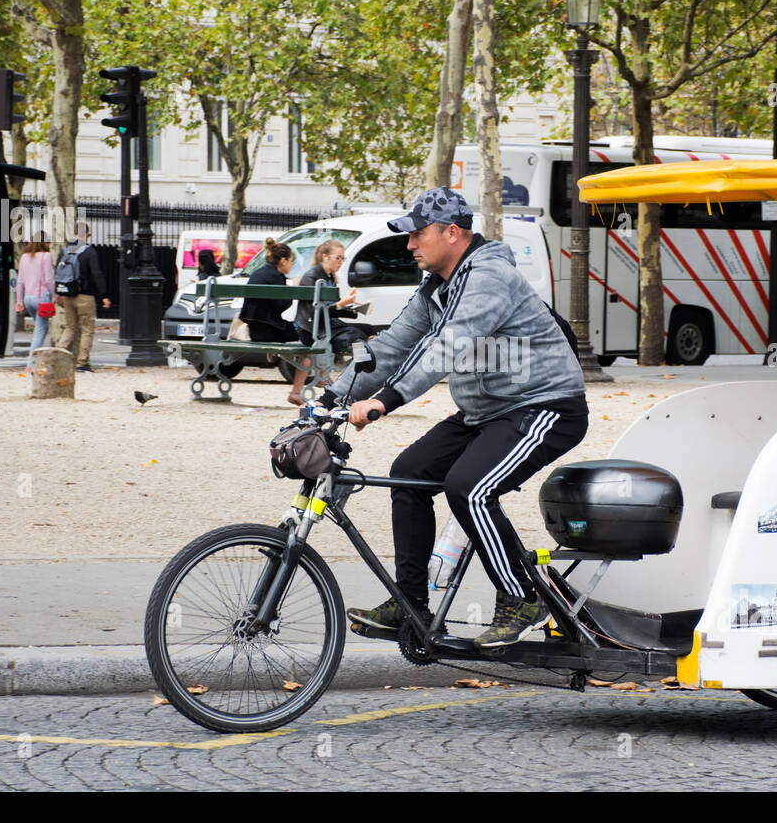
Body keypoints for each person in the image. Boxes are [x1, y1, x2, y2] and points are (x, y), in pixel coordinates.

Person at [324, 187, 588, 648]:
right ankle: (411, 604)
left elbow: (444, 349)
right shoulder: (437, 287)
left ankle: (521, 596)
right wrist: (328, 398)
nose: (409, 245)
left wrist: (384, 401)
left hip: (545, 407)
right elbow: (388, 349)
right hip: (487, 412)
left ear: (452, 233)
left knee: (469, 487)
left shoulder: (488, 277)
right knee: (409, 473)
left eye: (417, 234)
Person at [239, 238, 309, 405]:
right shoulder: (277, 276)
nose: (291, 266)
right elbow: (280, 306)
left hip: (254, 330)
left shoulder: (258, 273)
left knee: (297, 331)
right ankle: (298, 390)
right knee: (308, 339)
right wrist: (293, 289)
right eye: (291, 261)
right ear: (283, 260)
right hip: (269, 331)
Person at [295, 239, 370, 352]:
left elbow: (333, 309)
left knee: (368, 329)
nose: (340, 262)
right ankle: (361, 364)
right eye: (338, 258)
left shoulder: (329, 277)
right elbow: (314, 313)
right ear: (325, 257)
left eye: (342, 259)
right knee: (356, 335)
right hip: (312, 330)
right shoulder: (312, 277)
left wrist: (355, 309)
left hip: (326, 326)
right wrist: (341, 303)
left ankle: (367, 362)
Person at [54, 223, 110, 373]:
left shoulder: (65, 250)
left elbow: (57, 273)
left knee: (70, 327)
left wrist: (58, 293)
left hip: (66, 294)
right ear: (86, 234)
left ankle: (57, 354)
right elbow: (96, 274)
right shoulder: (89, 251)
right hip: (84, 296)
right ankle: (82, 362)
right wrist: (103, 295)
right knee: (87, 330)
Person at [15, 231, 55, 370]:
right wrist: (56, 295)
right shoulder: (46, 256)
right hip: (42, 297)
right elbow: (48, 280)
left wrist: (19, 300)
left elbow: (20, 281)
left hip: (28, 298)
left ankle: (35, 360)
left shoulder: (24, 257)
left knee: (39, 327)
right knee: (41, 330)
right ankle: (31, 364)